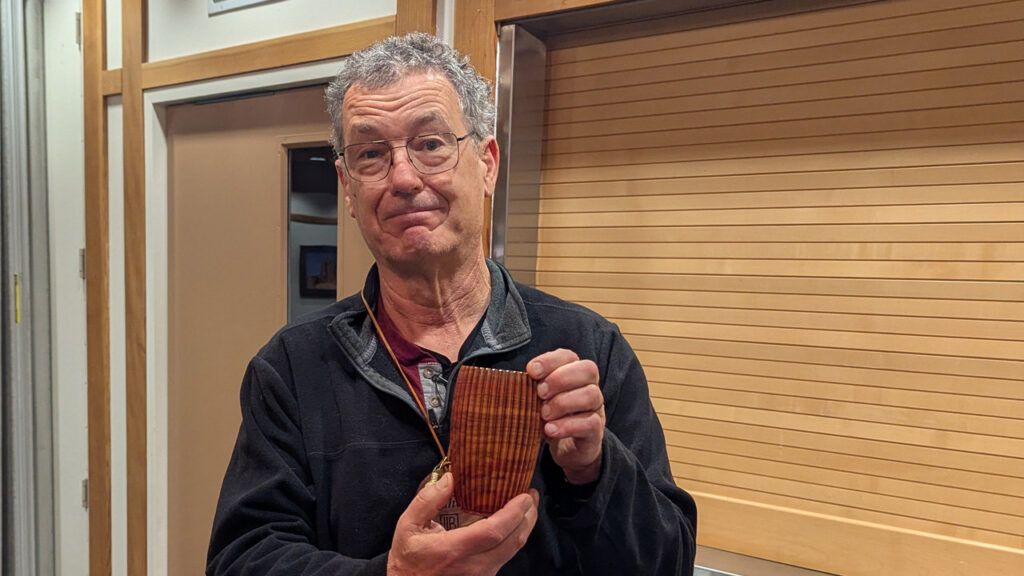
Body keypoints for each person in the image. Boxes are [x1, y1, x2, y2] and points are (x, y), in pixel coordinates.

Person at [206, 32, 697, 576]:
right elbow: (241, 560)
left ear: (486, 163)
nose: (403, 177)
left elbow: (668, 563)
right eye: (371, 154)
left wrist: (596, 470)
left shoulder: (588, 351)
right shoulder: (292, 369)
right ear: (347, 186)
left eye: (431, 144)